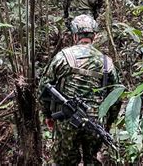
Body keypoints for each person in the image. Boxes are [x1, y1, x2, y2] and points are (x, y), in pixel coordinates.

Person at [40, 15, 121, 165]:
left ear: (75, 35)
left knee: (64, 162)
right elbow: (116, 97)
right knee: (92, 160)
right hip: (95, 121)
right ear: (94, 36)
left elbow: (43, 87)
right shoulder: (106, 62)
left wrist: (48, 115)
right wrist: (108, 123)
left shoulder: (62, 57)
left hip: (66, 122)